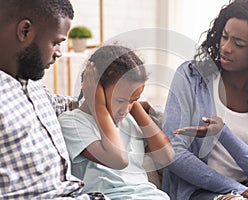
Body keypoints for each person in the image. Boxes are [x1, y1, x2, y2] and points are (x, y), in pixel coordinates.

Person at [161, 0, 248, 199]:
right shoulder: (192, 76)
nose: (226, 48)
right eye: (224, 37)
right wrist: (239, 190)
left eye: (239, 44)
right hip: (203, 192)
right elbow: (171, 151)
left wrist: (224, 133)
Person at [0, 0, 93, 199]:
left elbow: (60, 103)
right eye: (56, 42)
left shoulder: (30, 85)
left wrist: (101, 97)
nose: (59, 52)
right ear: (25, 31)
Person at [58, 45, 175, 200]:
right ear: (94, 88)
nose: (125, 110)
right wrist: (98, 106)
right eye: (120, 100)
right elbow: (118, 160)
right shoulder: (72, 123)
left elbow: (166, 156)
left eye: (133, 101)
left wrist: (136, 107)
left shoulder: (129, 120)